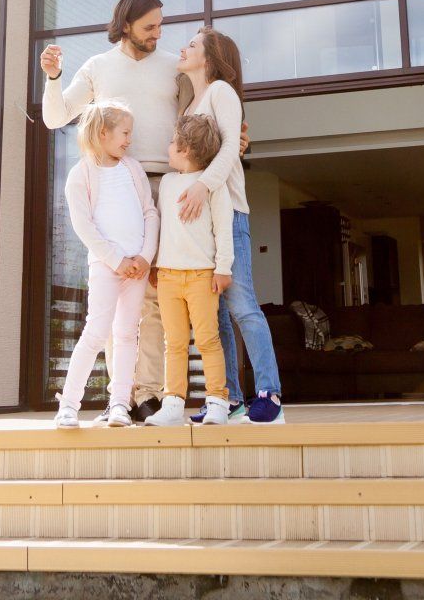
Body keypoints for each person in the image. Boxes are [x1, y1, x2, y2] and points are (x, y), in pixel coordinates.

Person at [40, 0, 184, 420]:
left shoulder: (174, 67)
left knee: (156, 296)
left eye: (161, 24)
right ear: (126, 26)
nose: (159, 33)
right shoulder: (98, 67)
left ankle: (146, 396)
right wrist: (52, 77)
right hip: (113, 185)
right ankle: (117, 397)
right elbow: (55, 116)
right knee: (114, 303)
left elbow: (197, 119)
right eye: (150, 27)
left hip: (163, 184)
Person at [176, 27, 284, 424]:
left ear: (210, 57)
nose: (183, 48)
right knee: (215, 313)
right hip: (200, 222)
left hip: (229, 212)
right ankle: (230, 398)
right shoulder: (190, 101)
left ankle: (269, 393)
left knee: (242, 306)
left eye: (192, 44)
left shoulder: (221, 91)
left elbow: (227, 152)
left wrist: (203, 186)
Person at [53, 99, 157, 429]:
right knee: (96, 332)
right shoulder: (80, 175)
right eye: (125, 132)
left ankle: (119, 405)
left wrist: (144, 257)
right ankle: (68, 404)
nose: (129, 139)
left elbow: (149, 212)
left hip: (136, 269)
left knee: (127, 335)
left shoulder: (132, 168)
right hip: (106, 267)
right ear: (103, 132)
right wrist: (116, 259)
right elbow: (84, 226)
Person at [147, 112, 233, 427]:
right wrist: (155, 263)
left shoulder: (213, 186)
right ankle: (172, 403)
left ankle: (217, 401)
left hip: (202, 276)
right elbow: (160, 226)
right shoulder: (167, 184)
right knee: (175, 341)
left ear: (185, 150)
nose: (168, 147)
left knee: (208, 340)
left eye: (172, 143)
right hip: (168, 275)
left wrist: (223, 268)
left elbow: (223, 229)